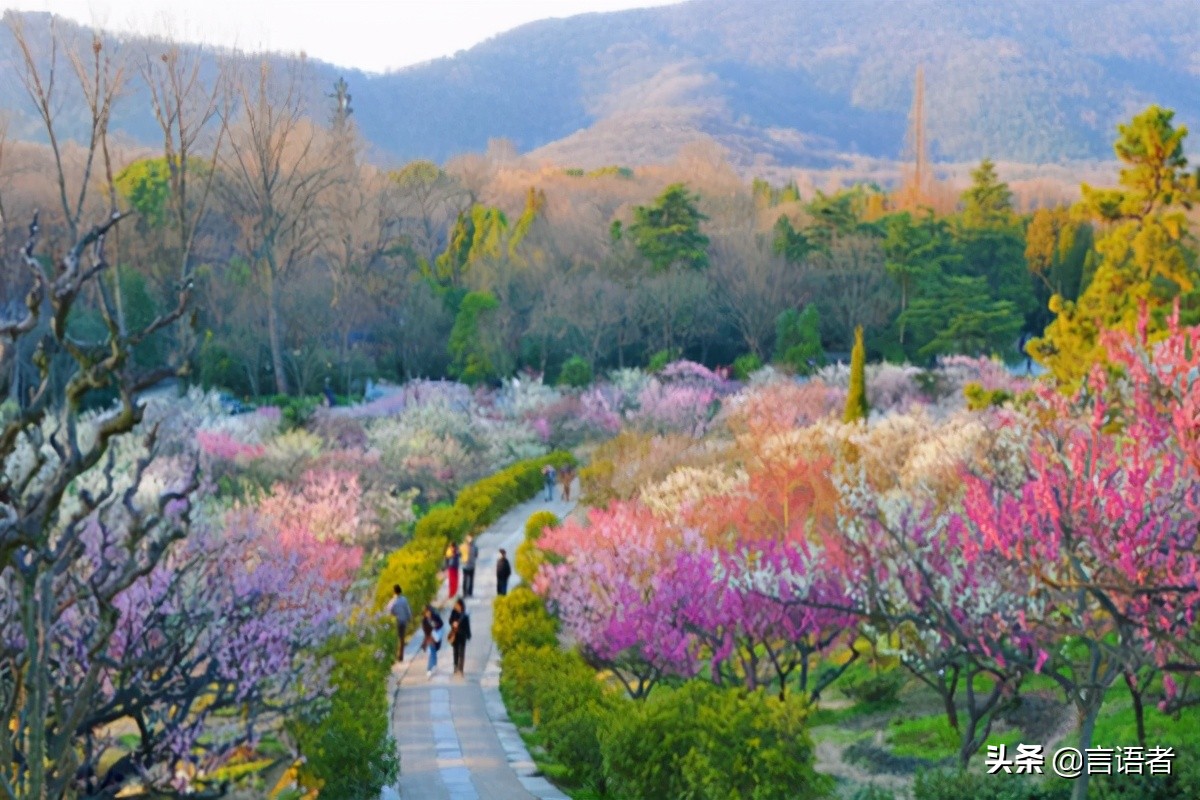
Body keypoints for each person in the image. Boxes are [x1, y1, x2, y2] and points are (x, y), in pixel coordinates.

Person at [388, 584, 413, 662]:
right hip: (403, 621)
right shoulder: (404, 599)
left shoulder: (393, 601)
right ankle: (400, 656)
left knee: (396, 638)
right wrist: (409, 618)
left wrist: (394, 614)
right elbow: (408, 610)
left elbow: (389, 610)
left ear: (394, 592)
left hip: (396, 621)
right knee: (401, 639)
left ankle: (396, 656)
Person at [449, 597, 472, 675]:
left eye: (458, 605)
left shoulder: (464, 615)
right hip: (455, 635)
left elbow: (467, 626)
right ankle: (455, 666)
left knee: (462, 653)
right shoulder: (453, 612)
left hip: (462, 636)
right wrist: (453, 623)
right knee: (455, 651)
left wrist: (468, 635)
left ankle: (461, 669)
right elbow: (450, 621)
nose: (456, 606)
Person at [419, 605, 444, 677]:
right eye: (426, 612)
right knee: (432, 652)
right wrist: (430, 633)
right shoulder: (424, 620)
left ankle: (435, 665)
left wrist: (436, 626)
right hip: (430, 638)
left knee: (435, 651)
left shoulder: (435, 617)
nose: (428, 614)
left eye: (429, 612)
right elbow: (425, 630)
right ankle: (429, 669)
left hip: (437, 636)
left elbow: (441, 624)